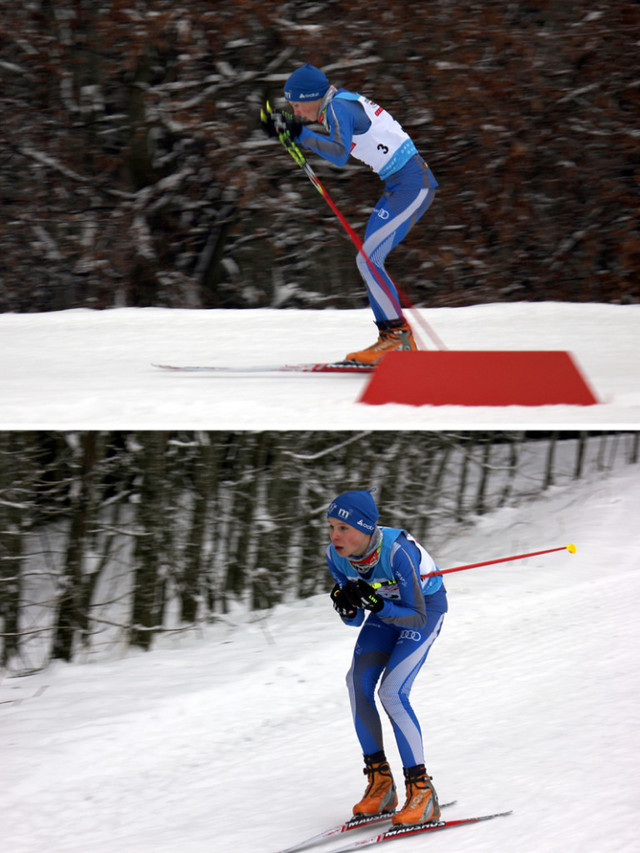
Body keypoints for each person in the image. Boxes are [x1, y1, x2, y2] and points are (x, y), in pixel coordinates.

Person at [261, 63, 438, 364]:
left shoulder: (338, 107)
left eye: (296, 104)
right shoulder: (336, 104)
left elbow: (339, 154)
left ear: (312, 95)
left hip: (413, 186)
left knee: (369, 260)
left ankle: (397, 339)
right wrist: (291, 128)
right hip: (398, 187)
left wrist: (299, 133)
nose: (295, 110)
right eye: (290, 107)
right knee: (369, 260)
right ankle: (392, 339)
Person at [325, 489, 447, 826]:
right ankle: (381, 786)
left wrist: (378, 604)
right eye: (331, 527)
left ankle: (422, 793)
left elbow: (417, 616)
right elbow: (354, 620)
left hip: (422, 613)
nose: (335, 536)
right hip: (386, 615)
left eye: (343, 528)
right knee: (356, 683)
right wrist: (346, 605)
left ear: (364, 528)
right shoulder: (336, 556)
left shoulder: (397, 552)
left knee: (391, 692)